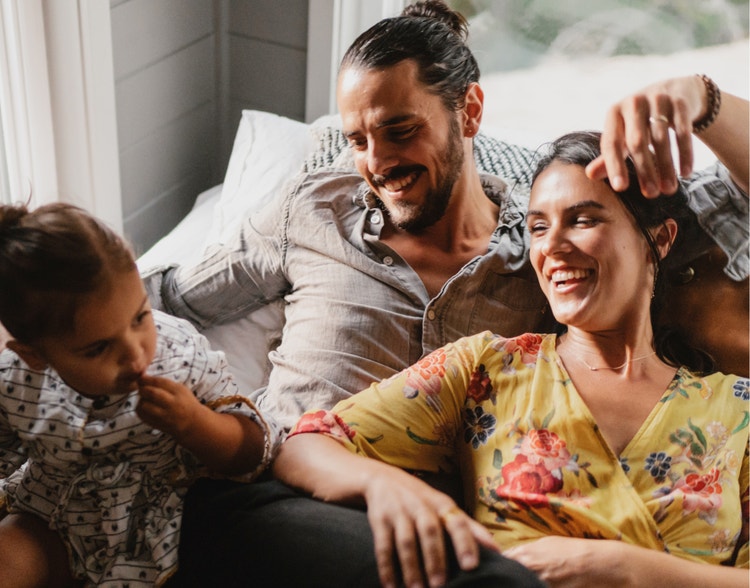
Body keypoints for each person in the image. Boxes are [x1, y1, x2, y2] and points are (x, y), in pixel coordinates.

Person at [7, 1, 748, 586]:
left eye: (400, 131)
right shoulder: (312, 208)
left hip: (422, 547)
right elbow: (161, 294)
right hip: (277, 494)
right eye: (359, 139)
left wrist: (701, 97)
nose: (376, 163)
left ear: (470, 114)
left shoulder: (550, 249)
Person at [274, 130, 749, 588]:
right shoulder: (486, 369)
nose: (553, 247)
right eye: (539, 226)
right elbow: (307, 445)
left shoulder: (738, 409)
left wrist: (629, 572)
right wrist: (382, 486)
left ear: (660, 240)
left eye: (583, 220)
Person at [0, 202, 273, 587]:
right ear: (36, 354)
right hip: (54, 514)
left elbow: (254, 450)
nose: (134, 352)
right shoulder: (16, 381)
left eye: (140, 318)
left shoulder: (178, 357)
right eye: (98, 348)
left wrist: (195, 424)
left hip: (164, 523)